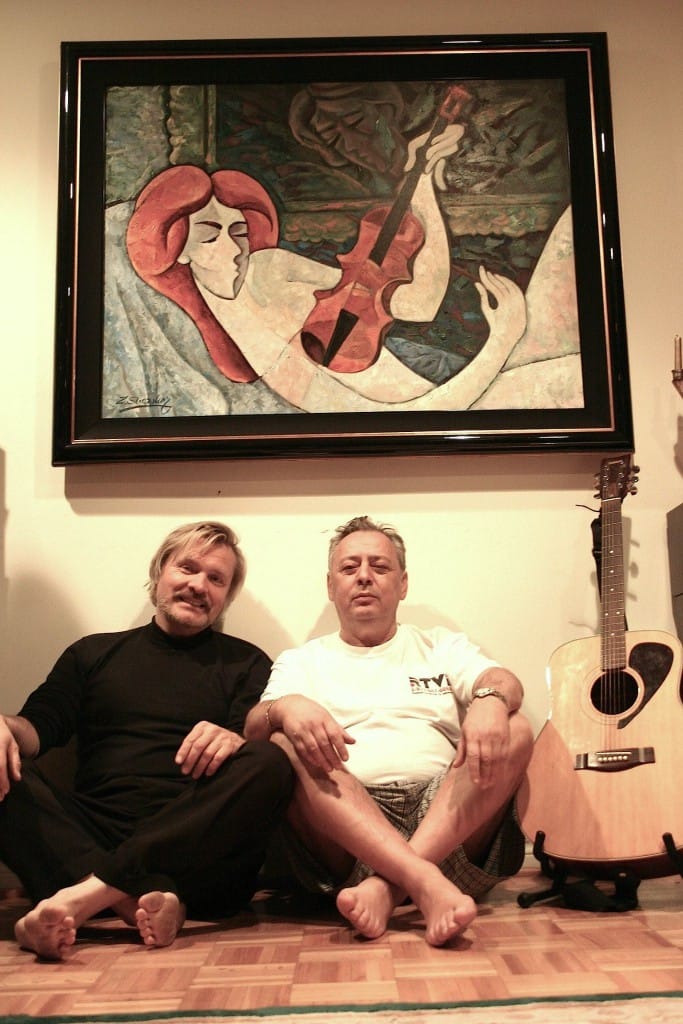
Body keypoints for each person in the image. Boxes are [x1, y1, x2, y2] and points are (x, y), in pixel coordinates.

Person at [0, 521, 294, 961]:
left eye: (216, 579)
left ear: (226, 598)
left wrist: (234, 737)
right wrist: (3, 726)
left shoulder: (247, 663)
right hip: (86, 839)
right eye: (187, 568)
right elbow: (36, 729)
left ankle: (89, 896)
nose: (199, 585)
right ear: (159, 573)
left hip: (196, 851)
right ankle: (137, 899)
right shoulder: (92, 654)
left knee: (271, 760)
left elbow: (252, 752)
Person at [244, 515, 534, 947]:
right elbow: (253, 732)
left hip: (448, 824)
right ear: (330, 586)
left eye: (379, 567)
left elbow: (503, 681)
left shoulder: (439, 644)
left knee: (517, 726)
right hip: (347, 832)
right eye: (349, 567)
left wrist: (491, 699)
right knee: (282, 741)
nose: (364, 576)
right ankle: (422, 881)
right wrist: (284, 707)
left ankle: (387, 888)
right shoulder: (302, 661)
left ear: (402, 584)